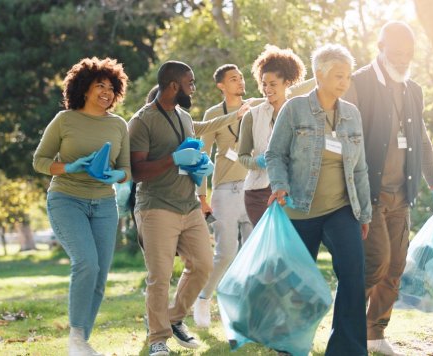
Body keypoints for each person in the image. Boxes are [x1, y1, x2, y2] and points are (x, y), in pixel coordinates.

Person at [342, 21, 433, 355]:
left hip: (402, 194)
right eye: (396, 53)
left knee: (397, 267)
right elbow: (342, 137)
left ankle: (375, 334)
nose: (402, 59)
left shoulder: (413, 89)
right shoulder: (358, 83)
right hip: (368, 195)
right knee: (376, 263)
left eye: (408, 54)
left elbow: (422, 139)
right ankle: (347, 328)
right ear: (380, 48)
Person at [128, 60, 241, 356]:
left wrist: (197, 165)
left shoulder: (185, 117)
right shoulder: (142, 121)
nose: (194, 87)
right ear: (174, 85)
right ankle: (158, 339)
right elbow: (136, 171)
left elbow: (190, 154)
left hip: (188, 205)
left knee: (203, 265)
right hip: (156, 206)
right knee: (160, 275)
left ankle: (174, 317)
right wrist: (173, 159)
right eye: (190, 82)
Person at [266, 44, 371, 356]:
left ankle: (348, 349)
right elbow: (274, 154)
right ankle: (290, 344)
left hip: (342, 208)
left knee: (353, 274)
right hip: (300, 208)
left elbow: (361, 167)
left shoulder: (352, 114)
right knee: (297, 283)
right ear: (319, 75)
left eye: (348, 76)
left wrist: (364, 213)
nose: (344, 82)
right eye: (338, 75)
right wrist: (280, 186)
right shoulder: (294, 109)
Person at [32, 57, 131, 356]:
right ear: (84, 89)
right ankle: (76, 337)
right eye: (99, 85)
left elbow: (126, 169)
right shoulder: (65, 120)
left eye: (111, 87)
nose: (106, 91)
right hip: (67, 200)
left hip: (103, 203)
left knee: (100, 276)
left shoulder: (119, 125)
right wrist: (71, 166)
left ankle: (80, 343)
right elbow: (40, 161)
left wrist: (115, 175)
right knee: (86, 262)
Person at [193, 64, 255, 328]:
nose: (240, 82)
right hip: (225, 191)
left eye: (241, 77)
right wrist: (201, 196)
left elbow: (289, 91)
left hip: (255, 188)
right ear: (221, 85)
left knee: (253, 254)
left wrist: (317, 80)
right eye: (233, 79)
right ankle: (204, 297)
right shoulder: (213, 114)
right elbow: (202, 157)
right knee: (226, 253)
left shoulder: (256, 105)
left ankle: (246, 311)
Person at [239, 45, 306, 226]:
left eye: (273, 84)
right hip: (258, 194)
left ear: (287, 83)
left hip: (291, 191)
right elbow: (242, 156)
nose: (267, 89)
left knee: (289, 249)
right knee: (268, 250)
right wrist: (257, 162)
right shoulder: (251, 116)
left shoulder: (300, 114)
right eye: (264, 84)